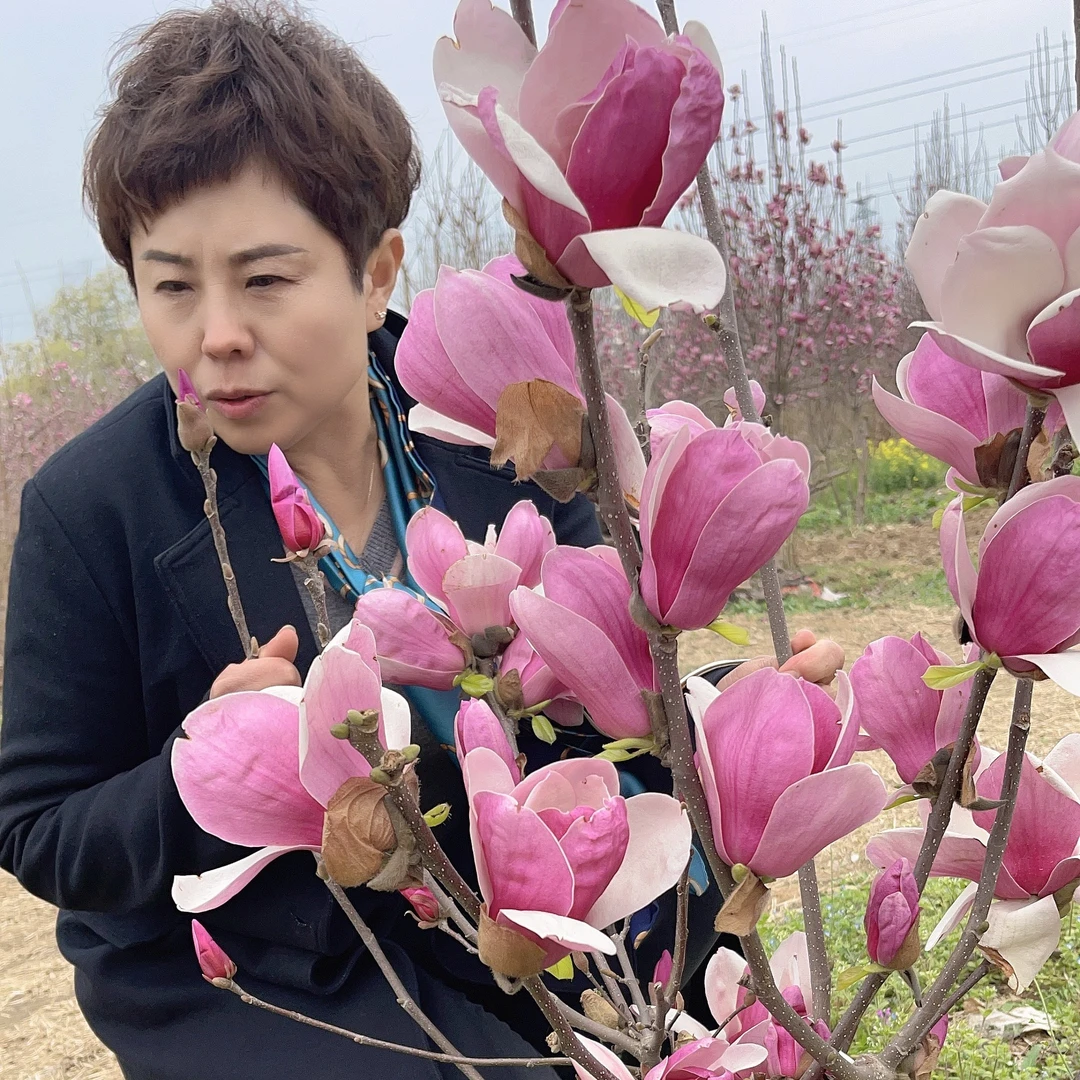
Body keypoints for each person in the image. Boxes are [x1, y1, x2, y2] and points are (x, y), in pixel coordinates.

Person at [0, 4, 842, 1078]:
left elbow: (588, 673)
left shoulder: (491, 410)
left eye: (265, 278)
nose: (214, 333)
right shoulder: (95, 507)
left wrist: (729, 706)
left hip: (506, 875)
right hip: (276, 960)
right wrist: (207, 767)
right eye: (170, 285)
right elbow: (37, 831)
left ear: (377, 271)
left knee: (726, 1014)